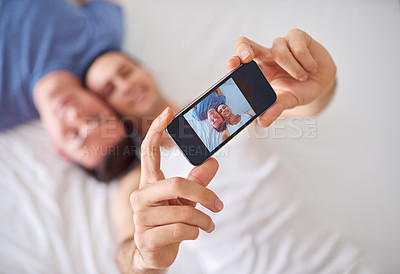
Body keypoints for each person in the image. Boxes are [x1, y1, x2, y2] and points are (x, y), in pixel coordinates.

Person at [84, 28, 337, 273]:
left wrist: (318, 84)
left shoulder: (222, 99)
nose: (124, 86)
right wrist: (143, 259)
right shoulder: (134, 186)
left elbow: (302, 106)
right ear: (110, 113)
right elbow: (127, 254)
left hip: (336, 262)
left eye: (126, 72)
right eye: (110, 90)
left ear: (146, 71)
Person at [0, 0, 138, 180]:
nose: (74, 114)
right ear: (106, 103)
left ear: (61, 151)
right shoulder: (101, 40)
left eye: (75, 136)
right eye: (96, 117)